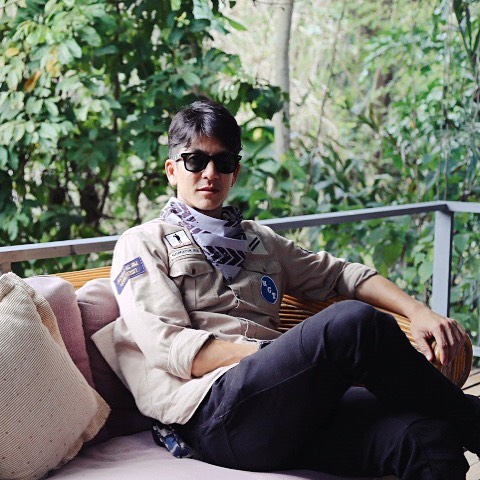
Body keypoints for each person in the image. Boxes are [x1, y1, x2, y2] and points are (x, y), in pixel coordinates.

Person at [93, 99, 479, 479]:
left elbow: (342, 274)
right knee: (352, 321)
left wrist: (419, 312)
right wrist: (278, 356)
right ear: (172, 170)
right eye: (195, 160)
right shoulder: (144, 242)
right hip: (211, 413)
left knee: (426, 436)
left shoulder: (258, 241)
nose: (210, 173)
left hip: (283, 411)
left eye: (223, 162)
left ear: (235, 173)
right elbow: (170, 347)